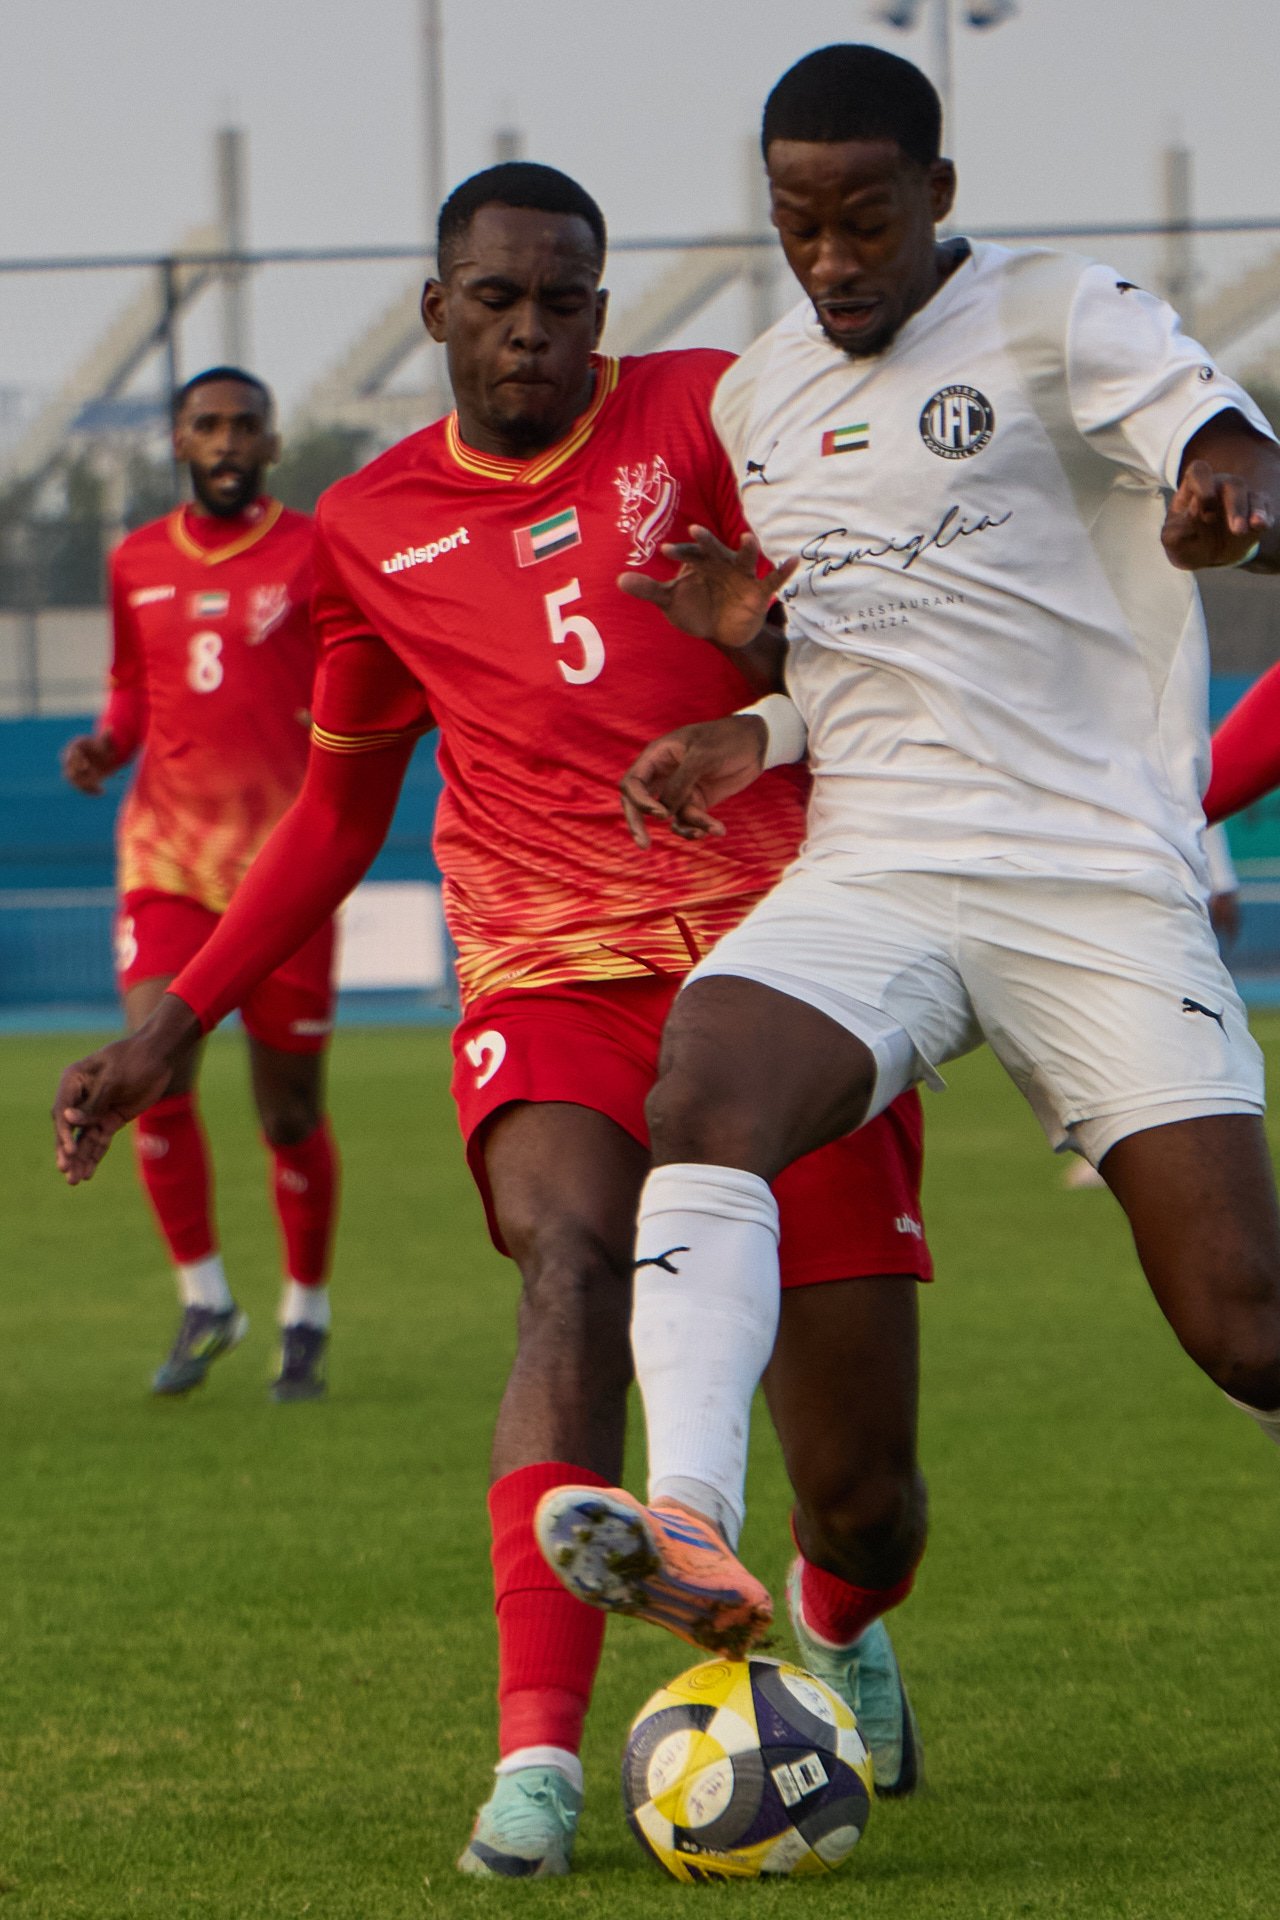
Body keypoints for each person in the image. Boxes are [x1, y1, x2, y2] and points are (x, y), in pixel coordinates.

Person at [52, 164, 932, 1877]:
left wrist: (762, 643)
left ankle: (837, 1607)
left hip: (790, 967)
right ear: (438, 307)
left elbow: (870, 651)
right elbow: (335, 809)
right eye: (499, 300)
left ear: (604, 308)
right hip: (548, 971)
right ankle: (534, 1761)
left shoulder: (713, 413)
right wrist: (175, 1023)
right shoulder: (370, 528)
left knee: (867, 1493)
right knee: (567, 1265)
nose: (533, 330)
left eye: (565, 302)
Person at [532, 43, 1280, 1669]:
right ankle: (690, 1518)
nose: (832, 259)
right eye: (797, 224)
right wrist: (760, 712)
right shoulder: (757, 397)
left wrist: (1235, 502)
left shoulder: (1062, 314)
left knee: (1246, 1328)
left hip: (1092, 877)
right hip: (877, 864)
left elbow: (1233, 450)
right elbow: (870, 647)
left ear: (937, 192)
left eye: (866, 220)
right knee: (707, 1086)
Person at [59, 367, 339, 1401]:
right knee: (154, 1070)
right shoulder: (134, 559)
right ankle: (205, 1297)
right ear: (179, 441)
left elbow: (354, 673)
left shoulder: (316, 551)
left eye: (244, 426)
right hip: (167, 858)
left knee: (289, 1117)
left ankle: (304, 1314)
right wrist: (106, 743)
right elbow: (132, 688)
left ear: (272, 444)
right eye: (207, 425)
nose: (226, 441)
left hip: (284, 875)